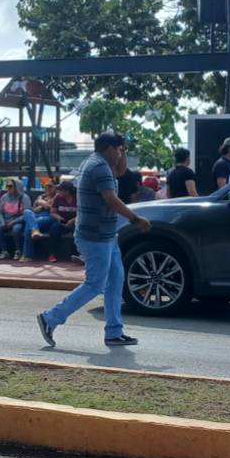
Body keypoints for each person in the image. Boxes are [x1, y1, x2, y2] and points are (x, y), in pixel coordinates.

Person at [37, 132, 151, 348]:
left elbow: (121, 170)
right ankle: (50, 318)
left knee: (116, 280)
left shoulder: (98, 162)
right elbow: (112, 200)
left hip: (106, 234)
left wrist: (124, 147)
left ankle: (114, 332)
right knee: (95, 284)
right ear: (109, 149)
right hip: (95, 236)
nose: (120, 154)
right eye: (118, 150)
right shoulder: (99, 167)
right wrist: (136, 219)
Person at [0, 178, 32, 260]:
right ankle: (4, 250)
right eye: (7, 186)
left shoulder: (24, 198)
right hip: (6, 220)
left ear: (17, 187)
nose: (8, 188)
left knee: (16, 229)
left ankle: (18, 250)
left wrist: (14, 222)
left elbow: (27, 214)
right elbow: (0, 212)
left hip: (19, 220)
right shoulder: (4, 197)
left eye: (10, 186)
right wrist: (2, 222)